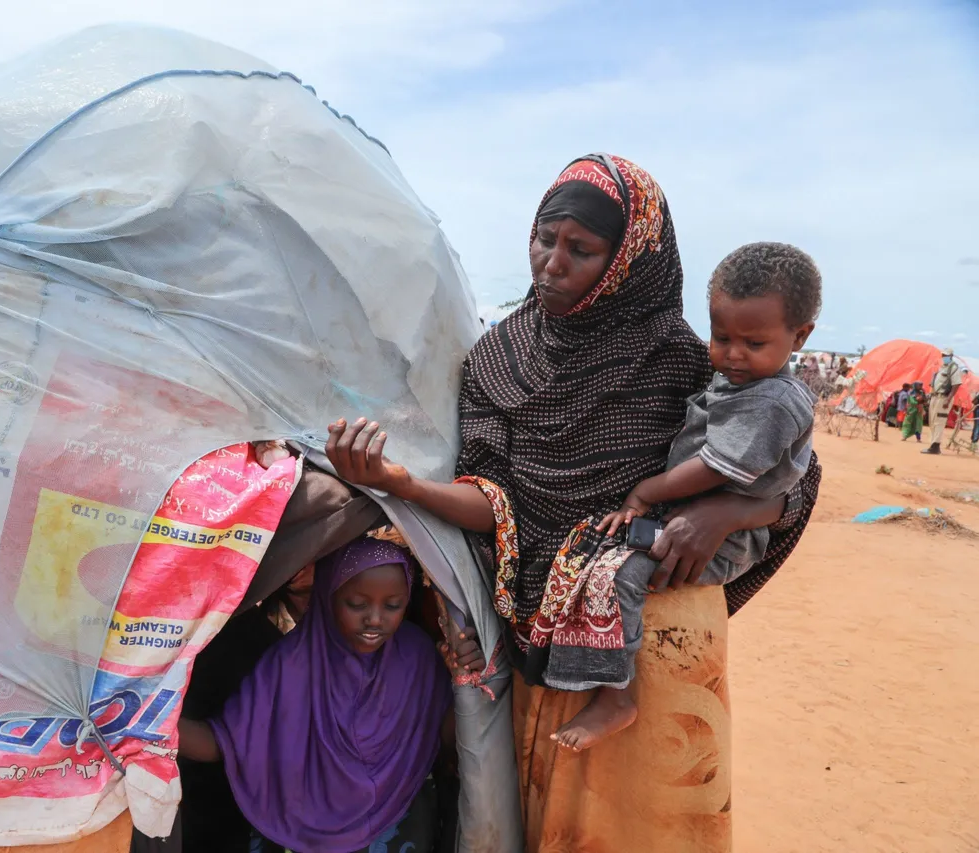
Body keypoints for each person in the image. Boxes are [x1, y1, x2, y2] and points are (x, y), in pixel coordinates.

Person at [326, 154, 821, 852]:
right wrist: (400, 483)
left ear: (628, 260)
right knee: (553, 826)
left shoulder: (684, 358)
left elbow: (792, 470)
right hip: (548, 637)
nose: (550, 264)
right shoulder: (498, 359)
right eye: (543, 239)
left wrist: (726, 513)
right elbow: (493, 501)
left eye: (581, 249)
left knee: (650, 825)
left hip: (661, 642)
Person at [566, 242, 819, 749]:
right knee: (599, 557)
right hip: (680, 522)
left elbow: (714, 469)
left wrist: (647, 490)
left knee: (622, 575)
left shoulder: (770, 399)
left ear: (800, 336)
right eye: (721, 336)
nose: (731, 354)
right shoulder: (736, 381)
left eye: (752, 342)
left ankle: (617, 695)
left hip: (717, 542)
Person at [176, 538, 458, 853]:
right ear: (327, 598)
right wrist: (148, 727)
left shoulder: (417, 656)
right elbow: (228, 742)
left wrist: (465, 683)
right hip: (298, 837)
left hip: (400, 826)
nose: (375, 619)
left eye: (393, 605)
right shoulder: (289, 664)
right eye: (357, 604)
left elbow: (444, 737)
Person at [923, 348, 964, 454]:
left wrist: (948, 399)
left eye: (946, 355)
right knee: (932, 421)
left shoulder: (953, 367)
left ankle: (935, 446)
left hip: (944, 398)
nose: (944, 357)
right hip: (935, 397)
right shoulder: (942, 368)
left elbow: (956, 384)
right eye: (943, 355)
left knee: (939, 422)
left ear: (951, 356)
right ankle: (932, 444)